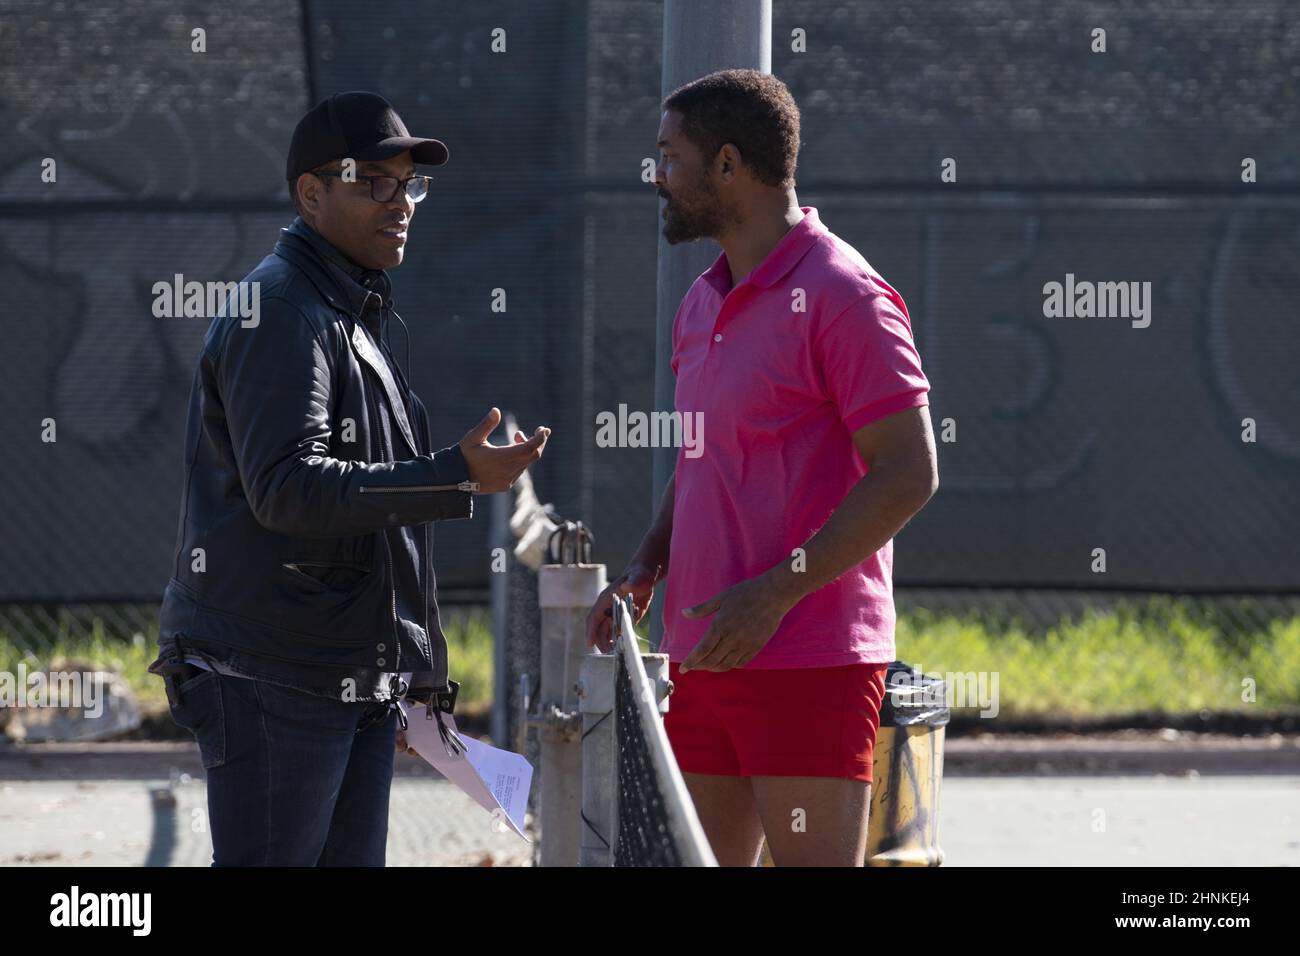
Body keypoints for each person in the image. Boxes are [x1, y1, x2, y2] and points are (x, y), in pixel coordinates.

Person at [148, 91, 550, 866]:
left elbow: (363, 509)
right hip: (272, 675)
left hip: (344, 676)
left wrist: (414, 674)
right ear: (311, 193)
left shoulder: (344, 304)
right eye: (374, 181)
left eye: (409, 186)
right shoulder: (283, 309)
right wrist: (455, 476)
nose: (399, 203)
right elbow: (290, 487)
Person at [586, 70, 938, 867]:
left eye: (669, 156)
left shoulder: (846, 293)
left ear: (727, 166)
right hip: (703, 655)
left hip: (810, 660)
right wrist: (647, 564)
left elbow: (911, 470)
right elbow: (703, 455)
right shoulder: (702, 299)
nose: (656, 176)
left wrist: (776, 591)